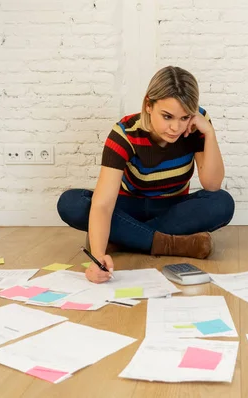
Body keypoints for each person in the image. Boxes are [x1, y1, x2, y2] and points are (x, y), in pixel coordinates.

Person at [57, 66, 235, 283]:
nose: (175, 127)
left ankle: (124, 238)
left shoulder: (197, 125)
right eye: (167, 116)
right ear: (149, 105)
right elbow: (103, 204)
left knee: (222, 202)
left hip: (172, 208)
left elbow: (212, 184)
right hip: (127, 207)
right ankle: (171, 243)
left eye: (184, 117)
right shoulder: (124, 133)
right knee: (71, 203)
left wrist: (209, 132)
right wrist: (97, 259)